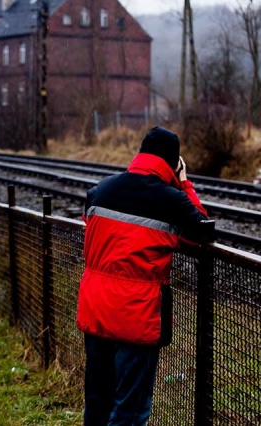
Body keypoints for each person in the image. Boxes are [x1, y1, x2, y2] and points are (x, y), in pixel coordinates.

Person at [76, 126, 213, 425]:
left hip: (96, 309)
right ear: (173, 164)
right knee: (131, 410)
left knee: (97, 401)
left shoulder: (100, 190)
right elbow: (202, 232)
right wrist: (185, 184)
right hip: (136, 317)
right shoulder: (170, 201)